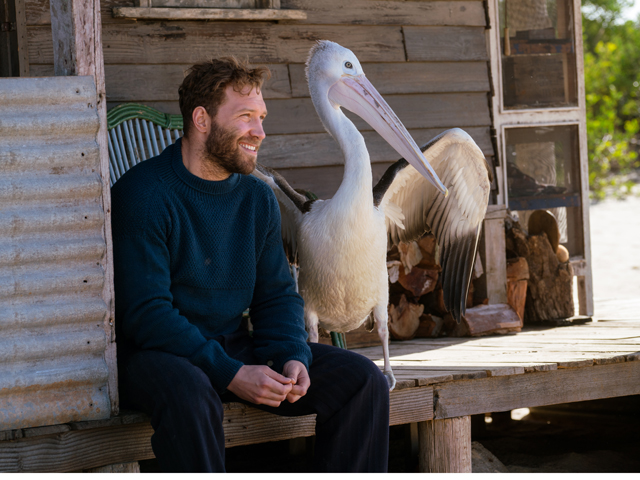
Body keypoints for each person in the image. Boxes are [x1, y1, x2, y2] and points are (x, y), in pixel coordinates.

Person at [111, 57, 390, 473]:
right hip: (158, 356)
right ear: (201, 120)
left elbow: (276, 295)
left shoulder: (256, 199)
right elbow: (147, 315)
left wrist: (293, 355)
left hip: (232, 346)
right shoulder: (145, 194)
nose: (259, 132)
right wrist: (231, 373)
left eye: (261, 118)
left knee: (362, 380)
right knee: (191, 393)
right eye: (245, 117)